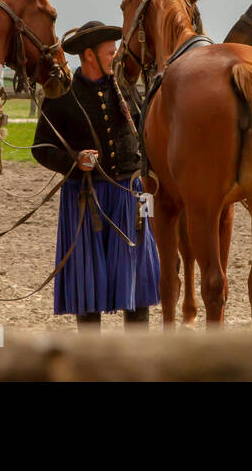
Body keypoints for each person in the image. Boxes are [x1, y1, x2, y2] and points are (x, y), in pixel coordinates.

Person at [31, 21, 160, 329]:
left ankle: (135, 362)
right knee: (87, 288)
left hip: (131, 196)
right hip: (86, 199)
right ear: (89, 55)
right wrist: (74, 161)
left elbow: (144, 133)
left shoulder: (124, 90)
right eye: (109, 53)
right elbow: (41, 148)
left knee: (138, 285)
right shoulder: (61, 96)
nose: (115, 58)